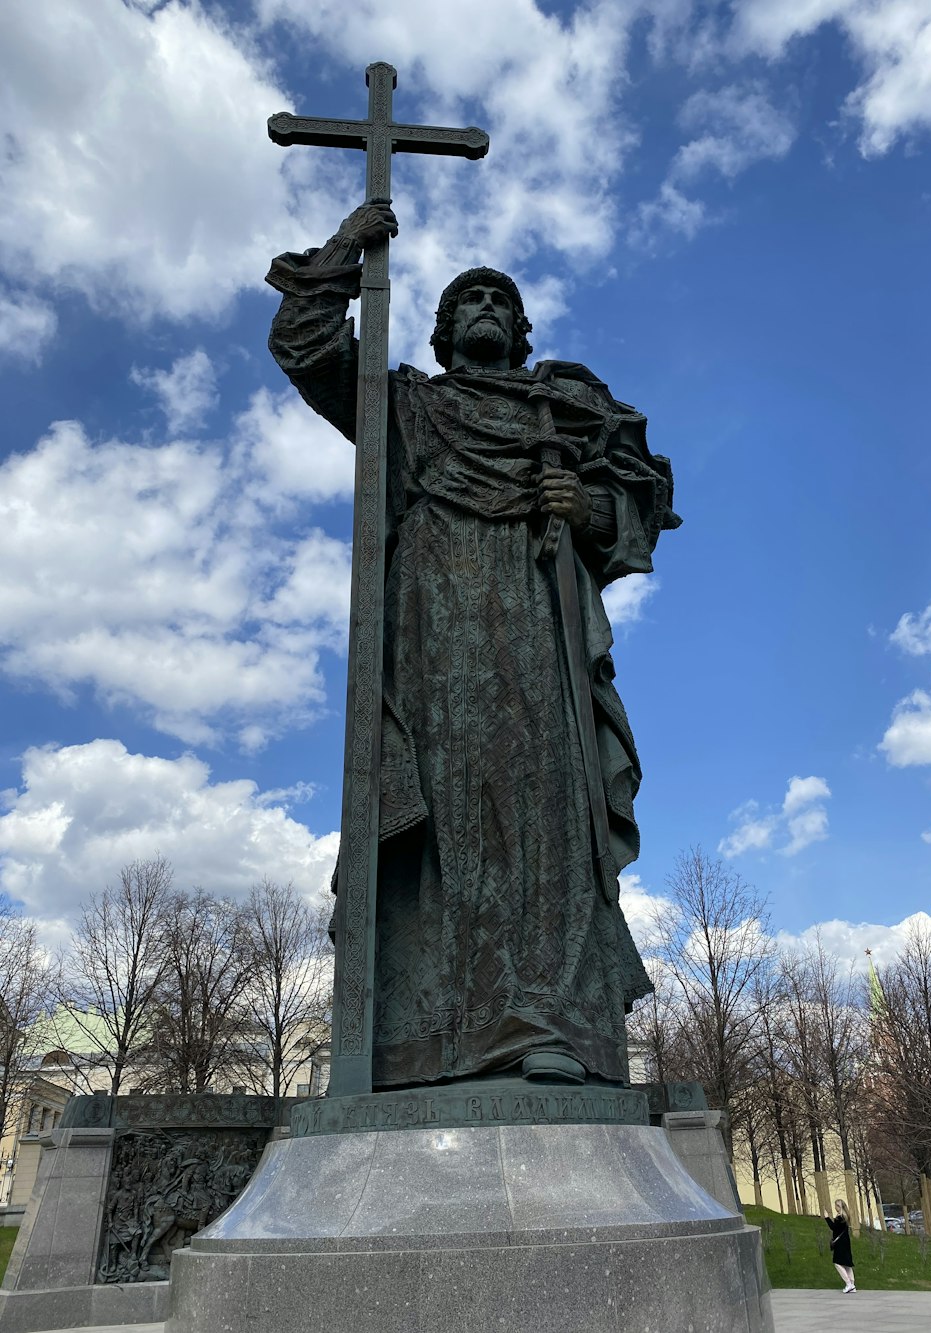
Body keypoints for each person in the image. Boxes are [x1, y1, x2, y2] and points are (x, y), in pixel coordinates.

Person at [266, 202, 681, 1092]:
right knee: (444, 815)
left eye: (501, 297)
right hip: (430, 629)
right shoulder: (407, 405)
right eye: (469, 298)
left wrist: (586, 508)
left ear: (522, 328)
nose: (487, 304)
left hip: (534, 622)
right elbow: (304, 346)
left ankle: (547, 1022)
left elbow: (635, 505)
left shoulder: (558, 411)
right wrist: (347, 250)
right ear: (444, 329)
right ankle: (419, 1034)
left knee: (543, 820)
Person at [825, 1199, 856, 1292]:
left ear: (839, 1207)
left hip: (840, 1243)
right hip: (846, 1242)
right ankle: (852, 1285)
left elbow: (834, 1228)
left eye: (836, 1205)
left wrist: (827, 1218)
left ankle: (848, 1284)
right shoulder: (846, 1217)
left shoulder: (840, 1217)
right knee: (847, 1264)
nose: (835, 1207)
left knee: (837, 1263)